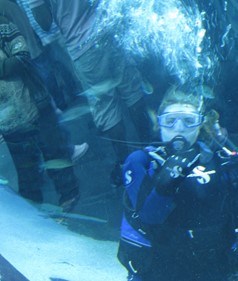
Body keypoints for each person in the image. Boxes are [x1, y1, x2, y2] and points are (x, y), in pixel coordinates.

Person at [117, 84, 238, 281]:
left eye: (189, 121)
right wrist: (166, 184)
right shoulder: (141, 161)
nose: (179, 128)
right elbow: (150, 217)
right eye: (170, 121)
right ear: (159, 124)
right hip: (158, 267)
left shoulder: (217, 159)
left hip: (213, 264)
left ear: (200, 125)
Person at [29, 0, 152, 188]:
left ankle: (125, 164)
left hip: (82, 43)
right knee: (132, 89)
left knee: (106, 105)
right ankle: (151, 148)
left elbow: (45, 23)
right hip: (111, 26)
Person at [0, 14, 80, 211]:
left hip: (35, 103)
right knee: (27, 175)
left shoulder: (3, 23)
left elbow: (22, 57)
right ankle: (36, 219)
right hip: (9, 121)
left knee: (55, 155)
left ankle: (69, 200)